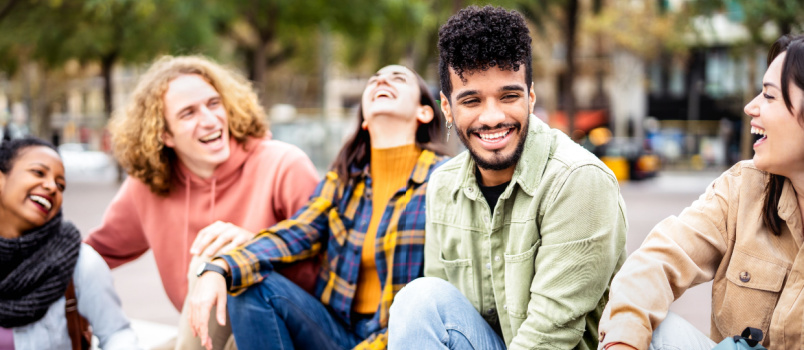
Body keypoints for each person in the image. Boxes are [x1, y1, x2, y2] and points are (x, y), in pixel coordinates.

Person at [388, 6, 627, 350]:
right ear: (447, 108)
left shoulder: (579, 181)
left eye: (509, 96)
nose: (493, 117)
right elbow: (442, 315)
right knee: (419, 300)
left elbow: (550, 337)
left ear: (530, 97)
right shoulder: (442, 185)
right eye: (471, 100)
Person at [187, 64, 448, 350]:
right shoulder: (344, 181)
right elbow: (296, 233)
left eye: (397, 78)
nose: (381, 81)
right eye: (374, 80)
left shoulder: (442, 180)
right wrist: (220, 267)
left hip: (402, 338)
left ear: (424, 112)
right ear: (364, 121)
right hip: (335, 333)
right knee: (249, 286)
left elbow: (441, 286)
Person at [83, 55, 320, 350]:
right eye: (188, 113)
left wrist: (254, 248)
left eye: (213, 103)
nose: (209, 120)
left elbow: (326, 265)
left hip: (286, 329)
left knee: (215, 255)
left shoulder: (283, 164)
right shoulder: (149, 185)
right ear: (164, 134)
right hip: (201, 338)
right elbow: (92, 255)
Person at [598, 34, 804, 350]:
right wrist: (623, 341)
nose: (751, 106)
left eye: (769, 96)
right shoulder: (745, 187)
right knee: (650, 327)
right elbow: (656, 261)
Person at [0, 137, 140, 350]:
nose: (51, 187)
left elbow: (118, 334)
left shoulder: (79, 262)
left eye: (60, 184)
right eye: (38, 172)